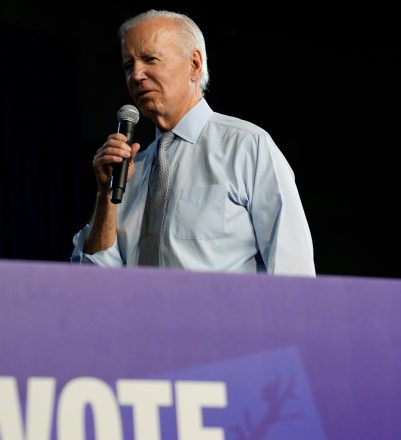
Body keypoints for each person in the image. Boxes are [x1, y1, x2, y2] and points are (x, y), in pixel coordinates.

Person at [71, 9, 315, 276]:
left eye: (150, 59)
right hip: (138, 317)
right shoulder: (127, 171)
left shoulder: (247, 147)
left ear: (194, 65)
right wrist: (106, 196)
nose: (136, 75)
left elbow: (293, 270)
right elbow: (92, 278)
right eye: (129, 66)